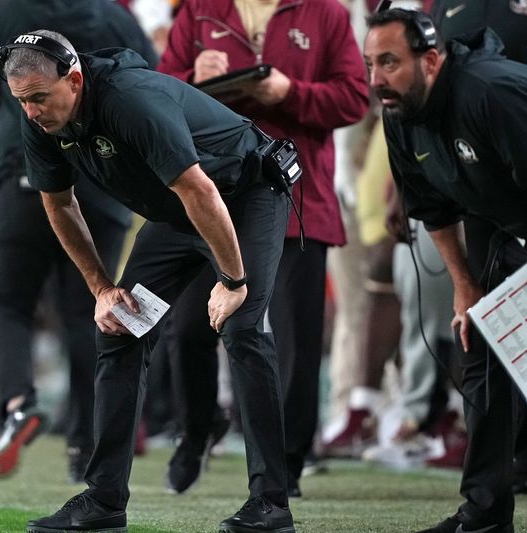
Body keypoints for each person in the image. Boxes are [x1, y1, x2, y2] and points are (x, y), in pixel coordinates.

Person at [5, 29, 295, 533]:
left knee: (243, 329)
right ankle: (104, 501)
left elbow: (200, 189)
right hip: (179, 212)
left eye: (38, 99)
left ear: (74, 80)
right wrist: (101, 289)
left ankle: (272, 504)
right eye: (22, 102)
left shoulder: (131, 101)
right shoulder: (41, 118)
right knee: (119, 329)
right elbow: (58, 203)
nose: (31, 112)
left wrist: (232, 278)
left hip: (243, 194)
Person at [156, 0, 370, 495]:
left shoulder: (327, 13)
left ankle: (288, 462)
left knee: (297, 339)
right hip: (211, 197)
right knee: (188, 326)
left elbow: (355, 99)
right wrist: (193, 75)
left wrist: (289, 93)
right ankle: (195, 430)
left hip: (299, 195)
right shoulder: (199, 9)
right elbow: (157, 93)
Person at [0, 0, 156, 482]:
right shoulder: (114, 15)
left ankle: (19, 402)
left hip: (25, 172)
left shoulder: (10, 12)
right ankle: (86, 443)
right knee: (90, 307)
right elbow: (148, 80)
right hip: (106, 179)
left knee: (6, 301)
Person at [364, 8, 527, 532]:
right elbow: (434, 210)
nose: (377, 80)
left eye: (390, 62)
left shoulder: (493, 93)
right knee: (483, 342)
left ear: (432, 60)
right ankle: (485, 515)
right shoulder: (398, 113)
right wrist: (467, 289)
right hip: (500, 215)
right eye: (371, 65)